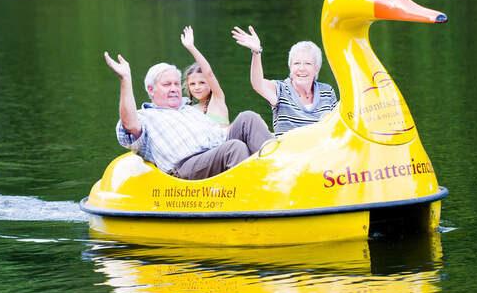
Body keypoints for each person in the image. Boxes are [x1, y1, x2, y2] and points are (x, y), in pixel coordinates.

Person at [103, 50, 273, 180]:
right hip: (184, 166)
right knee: (235, 148)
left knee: (247, 118)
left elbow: (218, 134)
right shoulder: (146, 116)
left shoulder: (190, 109)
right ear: (151, 90)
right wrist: (126, 79)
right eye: (166, 84)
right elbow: (129, 123)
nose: (174, 89)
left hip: (213, 152)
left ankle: (279, 170)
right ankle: (249, 198)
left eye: (176, 84)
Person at [231, 25, 337, 135]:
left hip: (320, 149)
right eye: (296, 63)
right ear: (290, 67)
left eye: (307, 63)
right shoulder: (281, 89)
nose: (301, 68)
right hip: (289, 150)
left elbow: (339, 126)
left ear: (316, 70)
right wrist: (256, 52)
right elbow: (258, 84)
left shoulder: (327, 91)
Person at [180, 25, 229, 126]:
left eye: (202, 82)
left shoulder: (218, 99)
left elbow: (209, 73)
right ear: (188, 87)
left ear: (210, 84)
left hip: (226, 142)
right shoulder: (189, 111)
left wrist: (191, 47)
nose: (197, 87)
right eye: (192, 84)